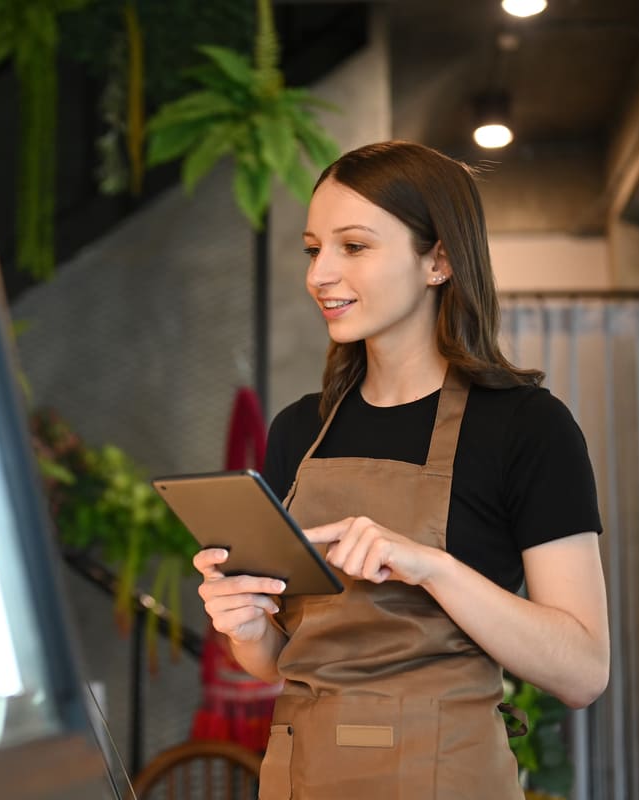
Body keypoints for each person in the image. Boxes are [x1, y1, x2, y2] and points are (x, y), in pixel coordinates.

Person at [193, 141, 609, 799]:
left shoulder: (527, 428)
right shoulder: (300, 430)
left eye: (354, 247)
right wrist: (245, 629)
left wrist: (430, 567)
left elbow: (583, 670)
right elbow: (285, 662)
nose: (320, 274)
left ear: (438, 260)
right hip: (299, 778)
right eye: (313, 249)